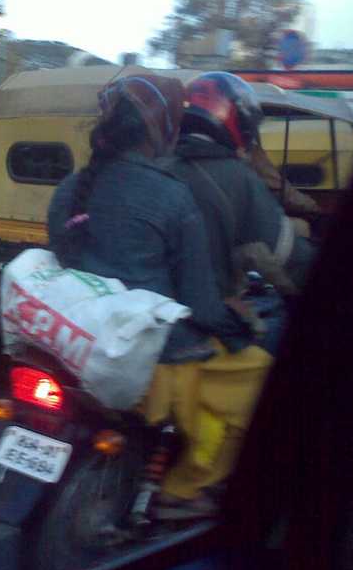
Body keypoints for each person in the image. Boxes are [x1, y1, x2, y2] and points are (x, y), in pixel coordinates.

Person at [47, 75, 272, 521]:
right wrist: (240, 327)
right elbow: (202, 306)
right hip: (158, 361)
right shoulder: (172, 197)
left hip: (78, 341)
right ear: (165, 128)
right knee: (259, 377)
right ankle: (187, 487)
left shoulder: (69, 190)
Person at [171, 72, 318, 301]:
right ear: (236, 118)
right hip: (210, 317)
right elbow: (289, 258)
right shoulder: (238, 177)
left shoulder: (155, 164)